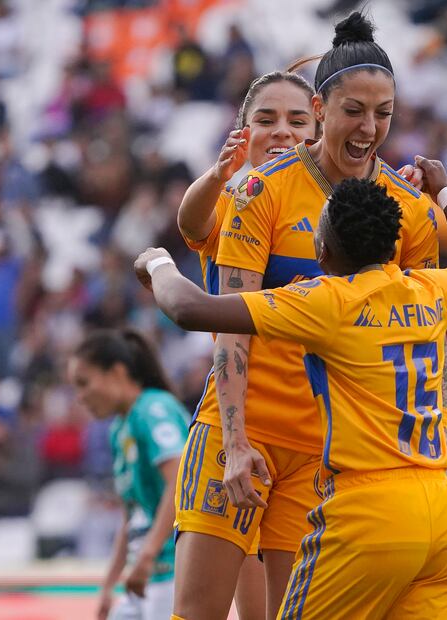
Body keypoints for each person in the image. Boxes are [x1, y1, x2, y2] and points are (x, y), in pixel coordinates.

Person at [171, 12, 447, 620]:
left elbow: (429, 338)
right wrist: (235, 441)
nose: (369, 128)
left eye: (383, 113)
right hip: (240, 431)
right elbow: (230, 327)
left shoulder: (408, 209)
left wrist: (444, 427)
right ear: (321, 109)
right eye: (354, 110)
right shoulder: (259, 191)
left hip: (323, 452)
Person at [135, 156, 447, 619]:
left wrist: (158, 263)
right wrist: (444, 192)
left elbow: (189, 308)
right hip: (445, 515)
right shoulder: (430, 288)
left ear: (323, 250)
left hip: (369, 508)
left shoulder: (327, 301)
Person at [175, 69, 317, 620]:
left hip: (313, 443)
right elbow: (191, 223)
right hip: (236, 429)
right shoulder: (238, 197)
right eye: (266, 119)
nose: (282, 131)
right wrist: (219, 174)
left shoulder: (345, 212)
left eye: (297, 120)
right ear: (243, 132)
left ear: (319, 129)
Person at [68, 330, 190, 620]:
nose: (80, 397)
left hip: (174, 572)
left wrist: (148, 554)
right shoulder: (119, 429)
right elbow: (131, 512)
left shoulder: (153, 409)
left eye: (84, 383)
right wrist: (109, 585)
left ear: (117, 372)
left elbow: (180, 480)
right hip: (144, 577)